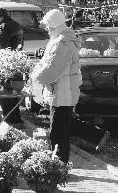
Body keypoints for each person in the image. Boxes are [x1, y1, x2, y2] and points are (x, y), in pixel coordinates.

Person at [31, 9, 82, 164]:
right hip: (62, 93)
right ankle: (60, 164)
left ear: (54, 25)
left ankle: (59, 166)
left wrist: (34, 76)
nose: (46, 28)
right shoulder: (61, 39)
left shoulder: (62, 43)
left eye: (47, 25)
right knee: (60, 132)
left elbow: (51, 70)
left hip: (62, 94)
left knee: (58, 133)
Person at [0, 7, 24, 126]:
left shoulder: (4, 27)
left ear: (0, 17)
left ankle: (8, 119)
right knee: (14, 93)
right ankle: (16, 118)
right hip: (16, 63)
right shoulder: (16, 25)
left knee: (4, 92)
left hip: (5, 64)